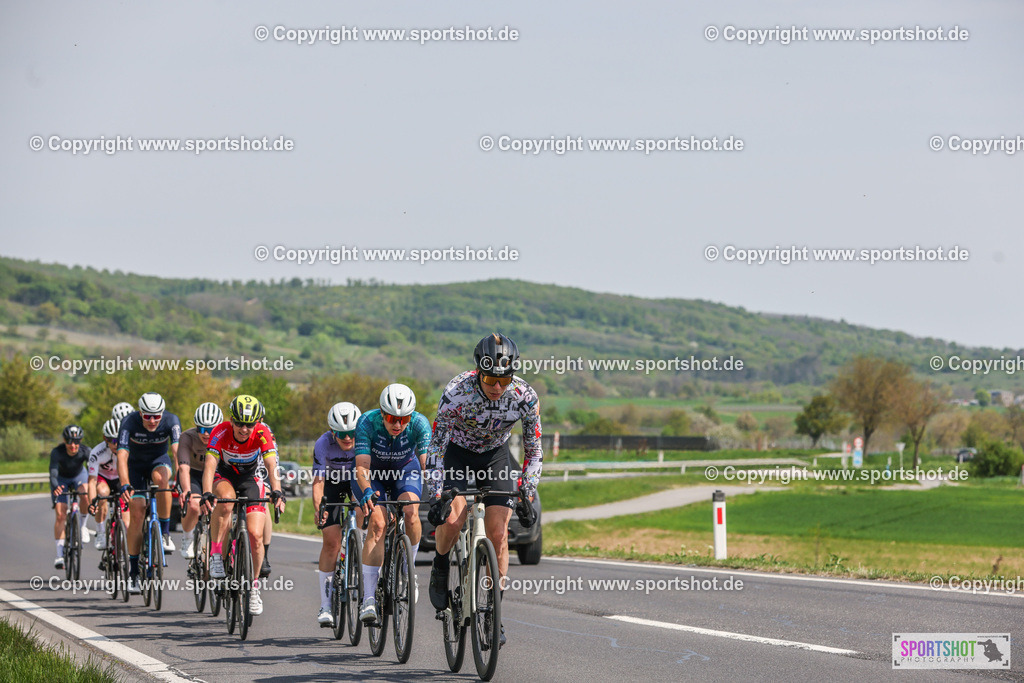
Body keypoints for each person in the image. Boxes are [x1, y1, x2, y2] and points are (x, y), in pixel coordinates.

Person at [425, 333, 543, 648]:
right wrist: (437, 495)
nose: (496, 387)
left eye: (504, 380)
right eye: (490, 378)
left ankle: (493, 609)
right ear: (479, 371)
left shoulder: (524, 396)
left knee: (499, 532)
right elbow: (436, 449)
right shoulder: (456, 393)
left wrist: (527, 491)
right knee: (452, 520)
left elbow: (534, 452)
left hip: (495, 455)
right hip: (456, 454)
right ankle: (440, 564)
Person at [200, 395, 286, 617]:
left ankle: (254, 586)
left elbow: (270, 463)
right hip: (224, 475)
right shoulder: (220, 431)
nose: (244, 429)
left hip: (250, 478)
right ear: (232, 420)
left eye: (249, 424)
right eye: (239, 423)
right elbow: (210, 464)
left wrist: (277, 490)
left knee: (256, 535)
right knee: (226, 504)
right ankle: (217, 555)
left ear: (257, 422)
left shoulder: (261, 433)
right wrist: (207, 492)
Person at [354, 384, 431, 624]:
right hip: (373, 473)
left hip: (405, 471)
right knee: (378, 524)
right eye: (391, 418)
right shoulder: (367, 422)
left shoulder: (420, 424)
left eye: (403, 418)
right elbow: (362, 467)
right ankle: (368, 598)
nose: (397, 424)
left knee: (411, 512)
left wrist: (437, 488)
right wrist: (367, 490)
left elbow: (426, 464)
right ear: (381, 413)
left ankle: (409, 571)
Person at [116, 393, 181, 594]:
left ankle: (164, 533)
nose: (152, 421)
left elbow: (178, 451)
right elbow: (122, 455)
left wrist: (179, 478)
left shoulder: (171, 420)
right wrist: (125, 484)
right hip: (134, 468)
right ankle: (134, 572)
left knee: (163, 481)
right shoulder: (128, 422)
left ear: (162, 413)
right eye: (147, 416)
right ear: (140, 412)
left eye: (156, 416)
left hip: (158, 461)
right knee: (136, 513)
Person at [312, 401, 361, 627]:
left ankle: (359, 556)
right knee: (331, 541)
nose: (348, 439)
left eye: (352, 433)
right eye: (342, 434)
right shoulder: (323, 443)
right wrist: (318, 508)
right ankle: (325, 604)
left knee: (363, 514)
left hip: (355, 481)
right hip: (331, 484)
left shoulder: (363, 439)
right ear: (333, 431)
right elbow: (318, 482)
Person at [176, 402, 222, 558]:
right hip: (193, 475)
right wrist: (187, 490)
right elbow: (183, 467)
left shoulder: (224, 437)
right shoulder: (187, 437)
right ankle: (187, 537)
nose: (206, 434)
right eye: (202, 429)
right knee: (194, 505)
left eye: (211, 430)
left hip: (215, 475)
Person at [50, 425, 92, 569]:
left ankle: (83, 526)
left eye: (76, 441)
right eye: (69, 441)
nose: (73, 445)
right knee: (61, 514)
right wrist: (56, 487)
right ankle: (59, 555)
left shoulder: (86, 451)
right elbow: (53, 474)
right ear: (64, 441)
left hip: (79, 476)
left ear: (80, 441)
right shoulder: (57, 452)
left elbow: (93, 471)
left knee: (86, 493)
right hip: (61, 480)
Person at [87, 418, 125, 551]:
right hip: (104, 479)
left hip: (120, 478)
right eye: (113, 441)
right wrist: (92, 502)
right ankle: (101, 532)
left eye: (119, 440)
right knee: (102, 494)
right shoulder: (97, 453)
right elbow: (91, 482)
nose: (116, 444)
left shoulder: (128, 448)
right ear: (105, 439)